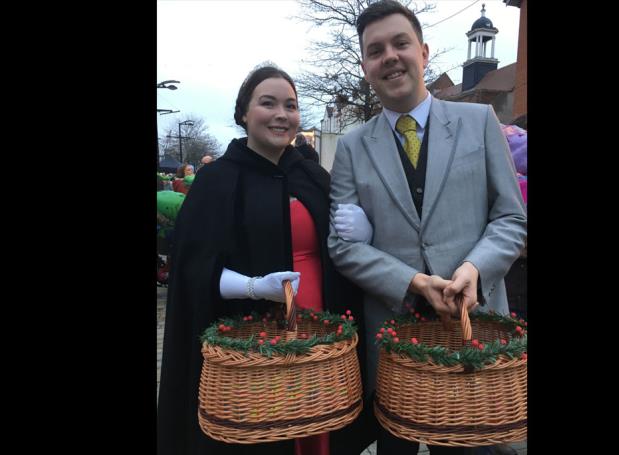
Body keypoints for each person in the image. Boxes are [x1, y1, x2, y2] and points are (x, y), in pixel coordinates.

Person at [327, 2, 527, 454]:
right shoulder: (353, 147)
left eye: (401, 43)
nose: (390, 56)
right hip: (394, 345)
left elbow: (511, 218)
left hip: (472, 332)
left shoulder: (480, 123)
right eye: (375, 51)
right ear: (365, 67)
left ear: (424, 51)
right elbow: (341, 246)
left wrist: (476, 268)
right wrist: (413, 281)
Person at [157, 64, 373, 455]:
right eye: (267, 103)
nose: (281, 114)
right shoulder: (216, 180)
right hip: (250, 340)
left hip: (319, 333)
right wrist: (253, 287)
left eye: (290, 106)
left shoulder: (314, 176)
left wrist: (362, 230)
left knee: (318, 424)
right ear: (244, 113)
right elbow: (192, 269)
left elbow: (344, 251)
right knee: (266, 431)